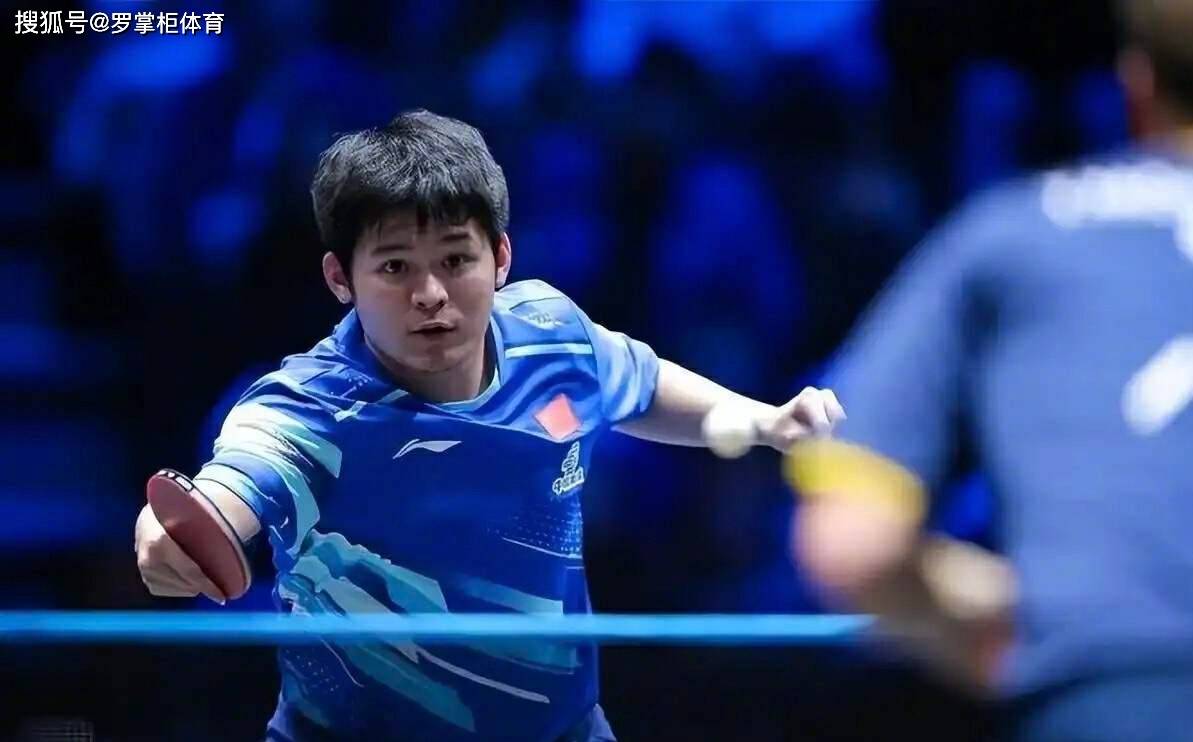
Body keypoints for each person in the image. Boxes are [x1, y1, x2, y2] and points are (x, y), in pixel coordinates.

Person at [134, 109, 845, 741]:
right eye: (394, 267)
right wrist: (168, 532)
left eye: (455, 259)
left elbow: (643, 383)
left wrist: (765, 420)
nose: (430, 294)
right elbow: (231, 486)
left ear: (500, 257)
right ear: (339, 278)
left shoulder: (551, 336)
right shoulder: (307, 407)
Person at [792, 1, 1193, 739]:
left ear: (1136, 83)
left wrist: (996, 629)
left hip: (1106, 692)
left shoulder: (1009, 235)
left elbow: (852, 542)